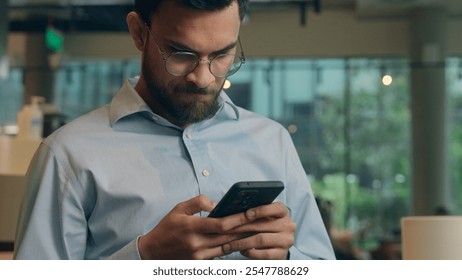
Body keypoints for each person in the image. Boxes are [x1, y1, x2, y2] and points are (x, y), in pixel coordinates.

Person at [13, 0, 335, 260]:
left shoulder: (273, 141)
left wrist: (287, 259)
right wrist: (145, 257)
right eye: (182, 54)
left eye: (223, 54)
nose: (204, 78)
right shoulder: (67, 156)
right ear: (139, 32)